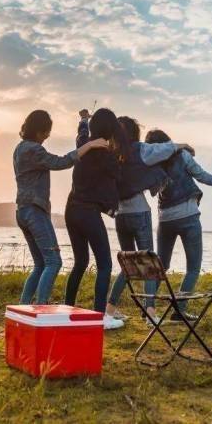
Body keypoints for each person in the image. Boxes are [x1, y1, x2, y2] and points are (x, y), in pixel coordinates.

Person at [105, 116, 196, 321]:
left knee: (128, 264)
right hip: (139, 213)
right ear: (134, 133)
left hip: (120, 215)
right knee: (149, 265)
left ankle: (109, 310)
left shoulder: (111, 155)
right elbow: (163, 149)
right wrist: (182, 145)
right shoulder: (140, 150)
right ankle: (150, 312)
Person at [14, 109, 108, 305]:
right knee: (54, 262)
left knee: (40, 264)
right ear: (38, 131)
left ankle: (23, 309)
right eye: (46, 132)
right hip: (34, 210)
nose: (47, 136)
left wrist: (83, 121)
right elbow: (61, 162)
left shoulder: (19, 148)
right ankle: (40, 307)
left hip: (22, 211)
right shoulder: (34, 150)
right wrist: (89, 145)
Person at [144, 129, 212, 323]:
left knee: (161, 265)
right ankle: (180, 310)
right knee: (193, 268)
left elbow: (151, 188)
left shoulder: (151, 164)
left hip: (165, 220)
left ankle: (148, 307)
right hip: (188, 217)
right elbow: (201, 176)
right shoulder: (182, 155)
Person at [64, 108, 128, 330]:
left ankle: (67, 309)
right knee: (105, 264)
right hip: (88, 212)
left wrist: (83, 119)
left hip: (71, 210)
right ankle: (100, 317)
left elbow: (81, 133)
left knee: (80, 262)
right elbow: (118, 175)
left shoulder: (84, 145)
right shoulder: (106, 157)